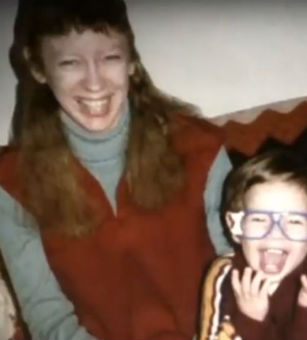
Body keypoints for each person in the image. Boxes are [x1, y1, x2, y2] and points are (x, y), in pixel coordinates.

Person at [0, 0, 233, 338]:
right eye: (69, 63)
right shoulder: (11, 186)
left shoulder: (200, 147)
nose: (94, 83)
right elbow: (48, 316)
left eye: (110, 58)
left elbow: (240, 271)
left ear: (132, 62)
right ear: (38, 68)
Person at [199, 151, 307, 340]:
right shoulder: (225, 275)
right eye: (259, 218)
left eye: (294, 221)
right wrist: (250, 321)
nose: (275, 233)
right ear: (236, 226)